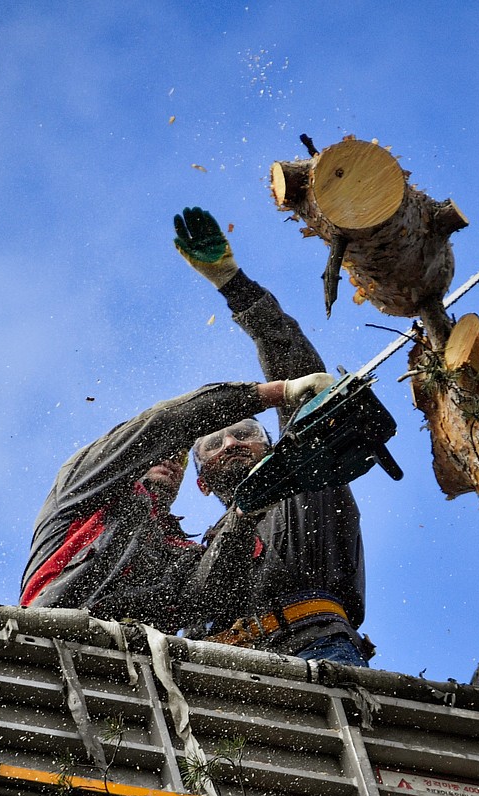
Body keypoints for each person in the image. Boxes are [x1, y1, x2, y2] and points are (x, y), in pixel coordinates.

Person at [173, 208, 371, 668]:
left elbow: (300, 379)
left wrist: (231, 283)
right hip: (225, 667)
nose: (232, 443)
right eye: (214, 445)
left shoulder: (306, 478)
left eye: (244, 432)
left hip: (316, 646)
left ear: (270, 443)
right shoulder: (209, 544)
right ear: (201, 482)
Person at [19, 375, 315, 628]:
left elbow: (202, 597)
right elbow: (159, 425)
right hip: (53, 628)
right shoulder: (85, 487)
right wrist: (276, 392)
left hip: (134, 667)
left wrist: (242, 517)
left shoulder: (179, 549)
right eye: (164, 450)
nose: (171, 457)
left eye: (180, 456)